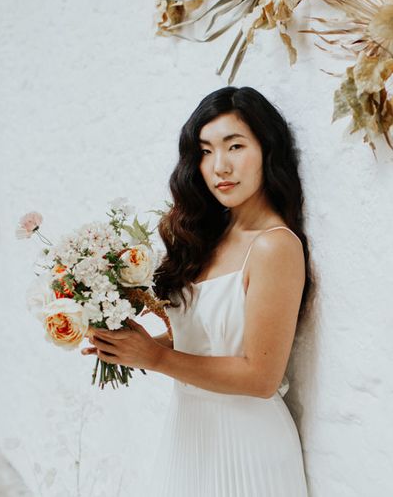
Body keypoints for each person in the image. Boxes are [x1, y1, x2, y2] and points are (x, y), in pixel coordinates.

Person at [81, 86, 311, 496]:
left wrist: (156, 357)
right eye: (205, 151)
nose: (220, 166)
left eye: (235, 145)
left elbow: (261, 376)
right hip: (188, 433)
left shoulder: (275, 245)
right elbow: (210, 336)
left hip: (247, 446)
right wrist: (130, 346)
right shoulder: (207, 238)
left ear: (267, 149)